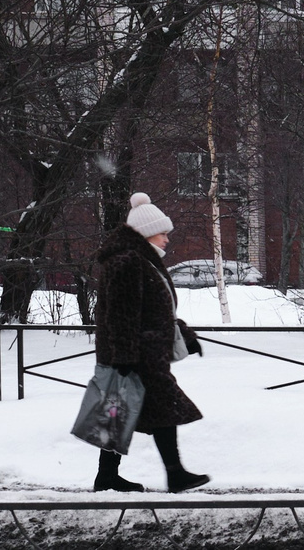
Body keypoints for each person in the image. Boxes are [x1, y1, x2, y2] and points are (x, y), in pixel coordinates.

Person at [91, 193, 210, 493]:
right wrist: (124, 357)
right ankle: (175, 474)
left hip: (142, 351)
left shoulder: (140, 261)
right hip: (139, 354)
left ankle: (108, 476)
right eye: (162, 233)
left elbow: (157, 310)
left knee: (121, 412)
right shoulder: (128, 262)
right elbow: (121, 313)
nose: (167, 239)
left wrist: (185, 336)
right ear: (146, 233)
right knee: (161, 410)